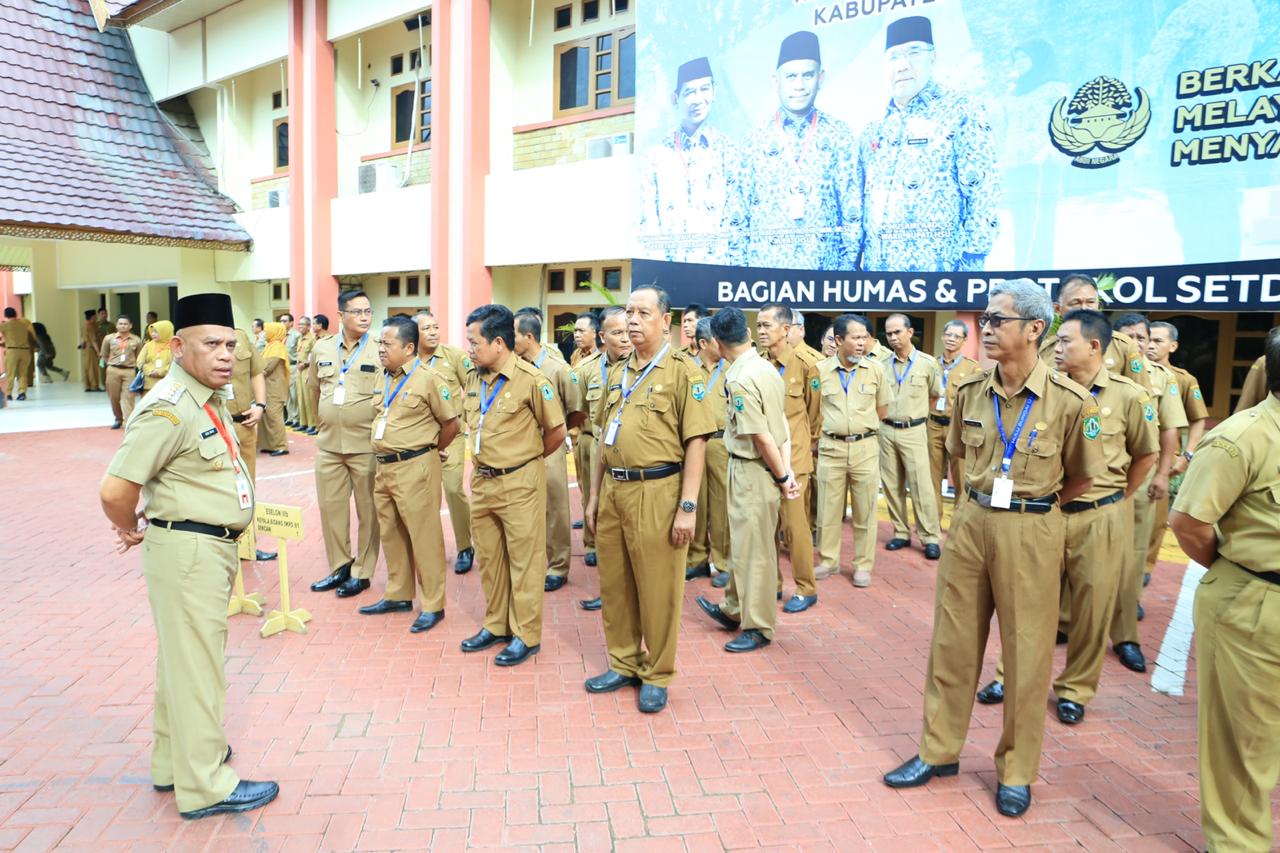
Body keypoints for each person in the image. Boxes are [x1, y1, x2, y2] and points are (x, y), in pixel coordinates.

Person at [883, 279, 1103, 819]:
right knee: (952, 644)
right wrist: (980, 504)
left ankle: (1017, 771)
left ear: (1035, 328)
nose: (986, 328)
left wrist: (1033, 509)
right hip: (973, 522)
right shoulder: (969, 392)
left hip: (1031, 529)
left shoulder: (1072, 401)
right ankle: (939, 751)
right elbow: (957, 457)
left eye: (997, 319)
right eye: (985, 318)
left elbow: (1081, 477)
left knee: (1026, 656)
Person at [99, 292, 278, 819]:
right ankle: (207, 785)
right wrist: (128, 525)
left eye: (230, 344)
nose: (225, 354)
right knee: (200, 666)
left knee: (181, 660)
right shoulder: (169, 408)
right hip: (190, 549)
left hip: (204, 546)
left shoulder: (208, 397)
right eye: (211, 344)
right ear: (178, 347)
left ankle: (174, 764)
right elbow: (115, 489)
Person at [975, 310, 1157, 724]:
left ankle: (1075, 689)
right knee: (1029, 602)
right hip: (1047, 511)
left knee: (1093, 607)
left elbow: (1146, 455)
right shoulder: (1045, 392)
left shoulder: (1130, 397)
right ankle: (1010, 675)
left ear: (1093, 346)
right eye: (1054, 343)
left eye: (1065, 342)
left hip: (1100, 515)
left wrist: (1117, 498)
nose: (1056, 349)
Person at [1169, 326, 1279, 853]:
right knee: (1243, 742)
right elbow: (1190, 522)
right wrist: (1240, 571)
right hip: (1255, 603)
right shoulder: (1241, 438)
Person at [586, 286, 713, 710]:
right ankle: (623, 661)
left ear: (666, 321)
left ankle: (657, 673)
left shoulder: (683, 372)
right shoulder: (619, 369)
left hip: (658, 491)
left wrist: (688, 507)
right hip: (613, 490)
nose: (633, 320)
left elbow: (697, 441)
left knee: (658, 589)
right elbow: (605, 435)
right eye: (629, 312)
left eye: (643, 312)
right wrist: (591, 498)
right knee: (616, 585)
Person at [460, 305, 565, 666]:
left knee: (525, 561)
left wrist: (526, 461)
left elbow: (556, 432)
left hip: (519, 483)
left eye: (474, 342)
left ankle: (526, 634)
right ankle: (496, 624)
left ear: (499, 342)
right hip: (483, 481)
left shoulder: (532, 380)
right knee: (490, 559)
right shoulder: (474, 378)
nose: (469, 348)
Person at [858, 15, 999, 272]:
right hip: (878, 274)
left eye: (914, 52)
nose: (902, 65)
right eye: (893, 57)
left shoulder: (962, 110)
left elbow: (983, 193)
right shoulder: (874, 126)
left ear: (932, 57)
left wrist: (971, 264)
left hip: (942, 273)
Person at [696, 306, 797, 653]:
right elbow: (780, 424)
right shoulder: (765, 368)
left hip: (752, 468)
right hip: (760, 466)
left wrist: (783, 476)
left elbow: (761, 436)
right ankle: (735, 608)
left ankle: (758, 626)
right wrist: (786, 469)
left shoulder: (740, 379)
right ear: (749, 334)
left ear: (717, 344)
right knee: (743, 545)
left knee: (755, 552)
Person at [724, 30, 859, 269]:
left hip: (824, 277)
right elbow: (736, 215)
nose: (799, 85)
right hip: (765, 277)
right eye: (791, 76)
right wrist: (741, 274)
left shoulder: (840, 135)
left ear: (821, 78)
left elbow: (852, 212)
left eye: (808, 75)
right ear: (776, 80)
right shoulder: (753, 140)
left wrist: (845, 272)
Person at [360, 315, 460, 633]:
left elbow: (451, 425)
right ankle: (399, 593)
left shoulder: (428, 379)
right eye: (380, 344)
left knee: (424, 536)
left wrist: (431, 449)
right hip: (385, 468)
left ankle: (433, 604)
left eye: (387, 344)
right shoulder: (384, 377)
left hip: (416, 467)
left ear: (409, 347)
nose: (381, 349)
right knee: (391, 532)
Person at [1109, 313, 1187, 674]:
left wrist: (1162, 474)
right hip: (1093, 480)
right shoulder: (1092, 375)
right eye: (1129, 337)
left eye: (1143, 337)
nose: (1138, 343)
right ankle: (1066, 622)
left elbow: (1170, 428)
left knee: (1133, 558)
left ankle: (1124, 636)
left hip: (1138, 481)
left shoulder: (1162, 379)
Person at [306, 291, 381, 599]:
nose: (364, 317)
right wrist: (322, 424)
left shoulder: (379, 350)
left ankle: (362, 571)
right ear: (340, 316)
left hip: (365, 445)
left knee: (368, 511)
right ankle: (340, 566)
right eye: (357, 311)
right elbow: (314, 390)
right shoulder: (321, 347)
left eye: (368, 311)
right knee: (331, 509)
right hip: (329, 446)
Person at [814, 314, 889, 586]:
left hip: (865, 447)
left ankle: (863, 565)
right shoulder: (820, 371)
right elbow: (812, 411)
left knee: (865, 511)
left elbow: (882, 409)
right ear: (838, 340)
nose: (862, 343)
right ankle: (828, 560)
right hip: (831, 448)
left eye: (864, 338)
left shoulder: (876, 370)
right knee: (828, 509)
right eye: (856, 338)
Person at [638, 58, 737, 264]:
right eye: (689, 92)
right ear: (675, 99)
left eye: (704, 89)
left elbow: (734, 222)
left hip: (715, 274)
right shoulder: (658, 155)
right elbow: (649, 222)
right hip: (669, 275)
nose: (697, 99)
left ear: (714, 92)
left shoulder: (728, 152)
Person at [513, 308, 585, 592]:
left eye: (514, 335)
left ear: (528, 336)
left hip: (550, 445)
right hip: (520, 447)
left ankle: (558, 565)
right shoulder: (515, 366)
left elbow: (577, 410)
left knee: (555, 507)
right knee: (525, 507)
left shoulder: (557, 369)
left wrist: (560, 432)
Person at [757, 304, 820, 612]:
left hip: (794, 461)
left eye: (767, 325)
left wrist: (803, 448)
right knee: (767, 528)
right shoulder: (756, 364)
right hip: (764, 462)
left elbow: (816, 415)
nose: (761, 331)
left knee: (795, 528)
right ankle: (774, 585)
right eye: (758, 325)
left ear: (786, 328)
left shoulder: (807, 364)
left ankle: (806, 588)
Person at [573, 306, 633, 608]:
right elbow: (579, 410)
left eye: (627, 331)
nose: (625, 339)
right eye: (617, 333)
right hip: (597, 450)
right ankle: (610, 592)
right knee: (598, 514)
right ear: (602, 336)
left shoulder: (642, 369)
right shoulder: (586, 370)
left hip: (631, 460)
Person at [1143, 321, 1208, 579]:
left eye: (1158, 341)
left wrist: (1187, 455)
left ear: (1173, 346)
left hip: (1162, 462)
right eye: (1148, 339)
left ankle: (1144, 571)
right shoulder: (1133, 373)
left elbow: (1198, 419)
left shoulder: (1183, 380)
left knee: (1155, 521)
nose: (1150, 345)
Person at [415, 310, 476, 573]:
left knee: (453, 489)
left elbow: (473, 388)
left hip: (451, 435)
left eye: (436, 327)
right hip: (419, 439)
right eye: (426, 328)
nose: (433, 332)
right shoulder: (408, 359)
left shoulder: (454, 357)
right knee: (425, 496)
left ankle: (465, 546)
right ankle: (431, 550)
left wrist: (467, 418)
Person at [878, 313, 943, 559]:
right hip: (886, 430)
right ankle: (901, 532)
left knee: (921, 485)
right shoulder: (882, 364)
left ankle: (930, 537)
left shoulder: (927, 363)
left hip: (914, 430)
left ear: (909, 332)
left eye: (897, 332)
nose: (893, 337)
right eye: (889, 333)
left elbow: (935, 395)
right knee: (891, 484)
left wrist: (918, 415)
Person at [1038, 274, 1145, 384]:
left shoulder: (1122, 346)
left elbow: (1141, 393)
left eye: (1090, 302)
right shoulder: (1045, 350)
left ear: (1098, 305)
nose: (1084, 308)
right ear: (1057, 309)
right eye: (1075, 303)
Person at [226, 325, 274, 564]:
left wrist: (261, 405)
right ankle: (221, 548)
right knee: (218, 489)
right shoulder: (197, 340)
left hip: (244, 424)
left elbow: (257, 372)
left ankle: (246, 546)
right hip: (214, 427)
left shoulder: (242, 337)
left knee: (246, 487)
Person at [691, 317, 733, 591]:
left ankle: (724, 561)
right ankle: (696, 558)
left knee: (721, 505)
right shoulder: (684, 369)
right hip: (692, 444)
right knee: (693, 502)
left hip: (719, 444)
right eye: (718, 339)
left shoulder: (731, 369)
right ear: (704, 343)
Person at [928, 320, 980, 512]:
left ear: (964, 340)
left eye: (956, 336)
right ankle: (932, 525)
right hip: (932, 425)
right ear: (942, 336)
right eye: (948, 334)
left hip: (957, 429)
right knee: (932, 479)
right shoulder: (931, 364)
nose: (951, 339)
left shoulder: (973, 368)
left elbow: (977, 402)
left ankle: (959, 523)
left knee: (960, 478)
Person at [569, 313, 603, 565]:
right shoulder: (579, 363)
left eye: (582, 331)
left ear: (596, 334)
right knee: (587, 491)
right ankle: (591, 543)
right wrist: (575, 436)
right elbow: (575, 407)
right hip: (588, 437)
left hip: (613, 442)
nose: (577, 335)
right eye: (576, 331)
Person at [99, 314, 143, 427]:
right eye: (120, 324)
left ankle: (128, 421)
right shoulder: (109, 338)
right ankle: (118, 418)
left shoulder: (136, 340)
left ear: (130, 326)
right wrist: (110, 364)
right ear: (117, 325)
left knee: (128, 396)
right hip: (113, 370)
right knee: (114, 397)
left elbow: (139, 357)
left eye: (125, 324)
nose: (123, 326)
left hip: (129, 371)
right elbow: (104, 354)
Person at [257, 322, 289, 456]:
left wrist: (256, 372)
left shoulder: (278, 347)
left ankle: (281, 446)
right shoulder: (269, 346)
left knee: (274, 417)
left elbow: (267, 367)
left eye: (267, 330)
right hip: (267, 387)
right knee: (266, 416)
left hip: (274, 388)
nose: (264, 333)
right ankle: (269, 444)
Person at [0, 307, 36, 400]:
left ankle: (8, 393)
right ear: (15, 314)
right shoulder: (24, 324)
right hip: (25, 351)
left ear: (5, 315)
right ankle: (22, 393)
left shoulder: (5, 325)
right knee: (23, 373)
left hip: (12, 351)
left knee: (10, 373)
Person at [292, 317, 318, 434]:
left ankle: (313, 424)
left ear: (308, 326)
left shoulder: (312, 339)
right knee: (300, 397)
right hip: (299, 370)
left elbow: (314, 356)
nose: (300, 327)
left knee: (309, 398)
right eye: (299, 325)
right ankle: (304, 422)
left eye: (303, 325)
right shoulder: (300, 339)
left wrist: (305, 364)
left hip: (307, 369)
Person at [135, 320, 174, 394]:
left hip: (167, 384)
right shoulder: (148, 345)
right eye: (152, 331)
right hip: (148, 384)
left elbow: (175, 364)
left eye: (156, 332)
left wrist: (161, 372)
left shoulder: (173, 346)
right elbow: (140, 362)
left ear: (165, 332)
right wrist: (149, 371)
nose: (153, 334)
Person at [280, 313, 300, 428]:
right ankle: (290, 417)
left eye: (284, 321)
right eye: (281, 321)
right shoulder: (280, 335)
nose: (282, 323)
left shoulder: (296, 335)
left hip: (292, 366)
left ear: (291, 323)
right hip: (283, 366)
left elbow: (299, 351)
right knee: (286, 394)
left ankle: (297, 418)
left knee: (294, 394)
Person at [81, 309, 104, 391]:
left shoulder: (84, 325)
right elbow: (94, 341)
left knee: (87, 367)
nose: (96, 318)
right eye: (95, 317)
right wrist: (98, 352)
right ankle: (94, 386)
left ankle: (87, 386)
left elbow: (83, 339)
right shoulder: (90, 326)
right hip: (91, 349)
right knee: (93, 368)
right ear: (92, 317)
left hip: (86, 349)